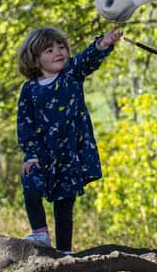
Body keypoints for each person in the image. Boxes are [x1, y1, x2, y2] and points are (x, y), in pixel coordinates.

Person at [16, 26, 122, 254]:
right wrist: (31, 154)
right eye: (49, 50)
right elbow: (25, 125)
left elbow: (87, 59)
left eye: (61, 47)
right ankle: (40, 233)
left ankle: (65, 251)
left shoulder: (71, 75)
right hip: (43, 156)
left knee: (65, 206)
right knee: (30, 185)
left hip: (70, 155)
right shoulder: (30, 90)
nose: (58, 52)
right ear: (35, 59)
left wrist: (103, 44)